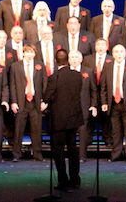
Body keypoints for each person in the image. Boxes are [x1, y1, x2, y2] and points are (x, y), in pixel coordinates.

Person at [43, 49, 86, 191]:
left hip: (58, 120)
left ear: (55, 62)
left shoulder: (54, 77)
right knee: (73, 149)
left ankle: (63, 181)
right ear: (68, 60)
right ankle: (75, 180)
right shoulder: (78, 76)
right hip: (73, 118)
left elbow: (47, 97)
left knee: (58, 150)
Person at [100, 44, 126, 163]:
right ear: (112, 54)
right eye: (116, 52)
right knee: (116, 130)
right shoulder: (108, 66)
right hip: (113, 103)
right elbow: (104, 86)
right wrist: (104, 102)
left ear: (125, 53)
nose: (119, 54)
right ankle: (116, 153)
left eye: (121, 52)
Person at [9, 45, 48, 162]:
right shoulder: (15, 66)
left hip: (36, 102)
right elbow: (12, 85)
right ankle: (16, 154)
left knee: (36, 129)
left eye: (32, 52)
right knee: (18, 129)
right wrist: (14, 102)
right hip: (22, 101)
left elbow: (45, 83)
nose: (30, 54)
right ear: (23, 53)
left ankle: (37, 154)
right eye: (28, 52)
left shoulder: (40, 65)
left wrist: (44, 100)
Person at [67, 50, 98, 163]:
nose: (74, 59)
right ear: (69, 60)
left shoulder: (88, 71)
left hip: (83, 107)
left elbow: (94, 90)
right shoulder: (64, 72)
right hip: (69, 108)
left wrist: (93, 105)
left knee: (83, 133)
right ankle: (71, 155)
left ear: (81, 59)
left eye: (76, 57)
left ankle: (82, 156)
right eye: (72, 57)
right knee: (69, 133)